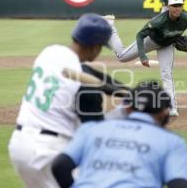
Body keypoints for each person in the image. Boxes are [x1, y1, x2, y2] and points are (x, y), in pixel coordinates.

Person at [8, 13, 127, 188]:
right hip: (48, 152)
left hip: (19, 146)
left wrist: (126, 91)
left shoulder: (50, 53)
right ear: (94, 47)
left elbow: (87, 71)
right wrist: (125, 111)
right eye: (101, 46)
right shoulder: (85, 88)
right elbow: (96, 131)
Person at [52, 80, 187, 188]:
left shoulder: (91, 129)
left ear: (128, 108)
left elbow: (60, 165)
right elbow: (178, 184)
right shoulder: (172, 142)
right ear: (164, 113)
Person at [107, 0, 187, 117]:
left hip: (166, 45)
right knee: (121, 57)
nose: (177, 8)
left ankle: (172, 107)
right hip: (150, 41)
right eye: (174, 6)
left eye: (179, 5)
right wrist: (143, 57)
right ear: (168, 7)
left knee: (167, 74)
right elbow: (140, 35)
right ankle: (110, 28)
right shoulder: (158, 21)